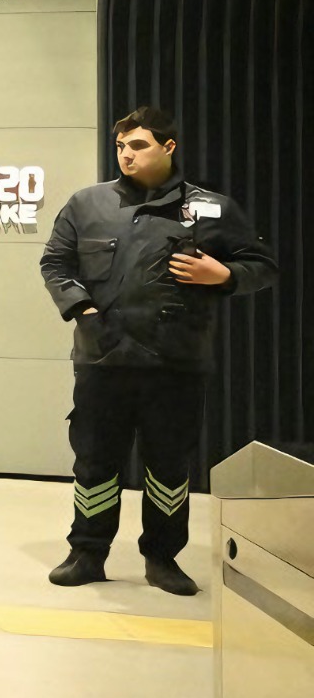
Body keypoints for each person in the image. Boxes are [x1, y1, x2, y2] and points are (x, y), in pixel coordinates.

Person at [40, 105, 277, 594]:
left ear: (169, 146)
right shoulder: (87, 204)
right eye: (120, 146)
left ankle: (163, 558)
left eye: (138, 144)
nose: (126, 154)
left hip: (176, 362)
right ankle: (87, 552)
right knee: (94, 462)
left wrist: (224, 274)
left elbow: (263, 265)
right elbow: (55, 263)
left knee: (169, 466)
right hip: (103, 359)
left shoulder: (212, 208)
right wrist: (84, 311)